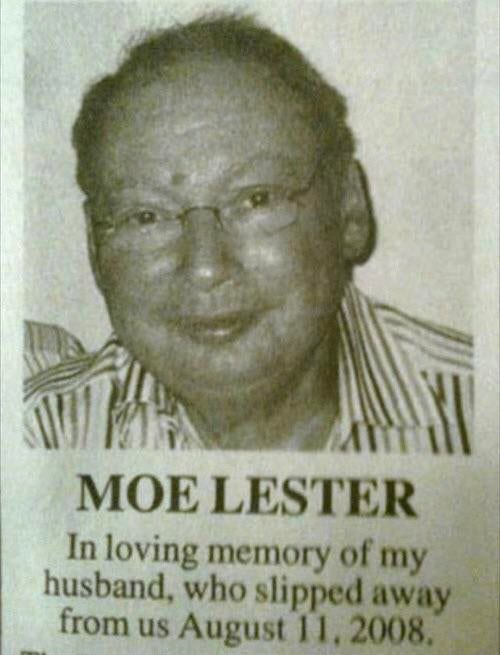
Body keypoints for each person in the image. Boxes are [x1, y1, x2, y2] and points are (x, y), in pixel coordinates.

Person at [23, 13, 473, 453]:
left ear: (348, 210)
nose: (205, 268)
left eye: (256, 199)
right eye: (146, 216)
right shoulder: (37, 434)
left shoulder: (477, 412)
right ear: (94, 248)